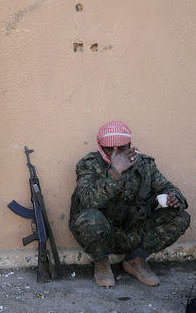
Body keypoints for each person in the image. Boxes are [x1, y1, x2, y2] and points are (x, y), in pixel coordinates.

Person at [69, 121, 190, 287]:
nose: (116, 153)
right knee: (88, 218)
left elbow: (167, 187)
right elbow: (89, 200)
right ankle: (102, 263)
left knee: (180, 217)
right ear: (100, 147)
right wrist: (116, 171)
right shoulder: (88, 164)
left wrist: (174, 197)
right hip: (104, 232)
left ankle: (136, 259)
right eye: (109, 149)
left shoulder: (145, 164)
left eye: (122, 148)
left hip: (135, 230)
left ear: (130, 145)